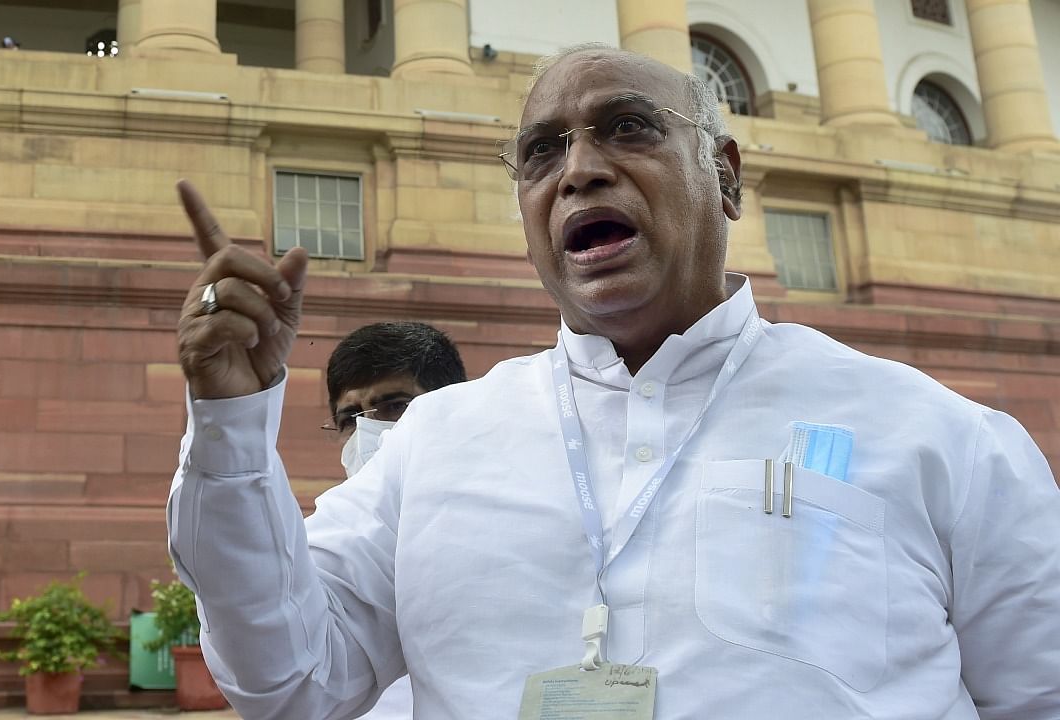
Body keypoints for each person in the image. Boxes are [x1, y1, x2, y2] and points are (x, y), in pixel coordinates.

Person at [166, 44, 1060, 719]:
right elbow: (289, 681)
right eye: (542, 152)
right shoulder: (432, 445)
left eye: (627, 128)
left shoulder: (941, 439)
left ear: (727, 177)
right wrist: (231, 424)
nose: (580, 169)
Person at [322, 321, 467, 718]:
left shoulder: (500, 526)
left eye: (396, 405)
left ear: (452, 405)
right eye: (350, 417)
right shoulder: (328, 545)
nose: (367, 431)